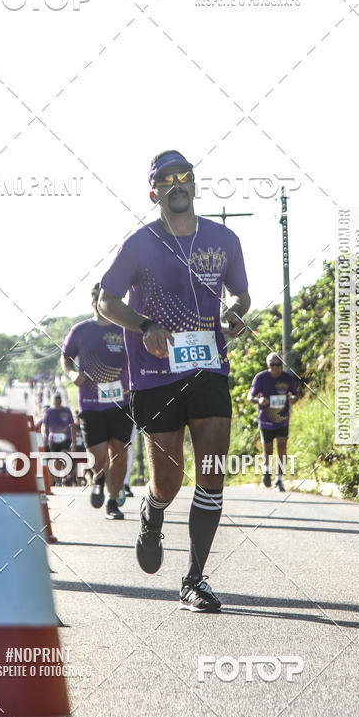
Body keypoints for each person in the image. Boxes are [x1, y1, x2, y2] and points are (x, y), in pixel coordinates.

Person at [98, 150, 250, 612]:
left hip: (208, 367)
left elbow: (241, 294)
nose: (177, 183)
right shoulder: (140, 244)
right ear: (155, 192)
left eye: (184, 176)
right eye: (167, 179)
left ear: (194, 185)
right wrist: (145, 327)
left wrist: (235, 312)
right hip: (154, 376)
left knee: (211, 474)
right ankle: (153, 511)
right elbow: (106, 301)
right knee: (169, 479)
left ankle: (194, 580)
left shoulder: (224, 239)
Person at [61, 283, 132, 520]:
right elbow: (66, 357)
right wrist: (72, 374)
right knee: (98, 456)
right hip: (91, 404)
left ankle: (113, 502)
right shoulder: (81, 330)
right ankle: (98, 477)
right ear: (94, 304)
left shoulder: (126, 329)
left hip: (122, 402)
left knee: (119, 453)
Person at [247, 353, 298, 491]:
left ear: (281, 365)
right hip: (265, 420)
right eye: (272, 365)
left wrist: (293, 398)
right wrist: (259, 400)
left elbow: (294, 394)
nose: (275, 368)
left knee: (282, 447)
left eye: (278, 365)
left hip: (282, 419)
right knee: (268, 450)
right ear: (268, 365)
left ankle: (279, 479)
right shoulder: (260, 378)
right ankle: (266, 471)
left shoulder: (288, 378)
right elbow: (249, 396)